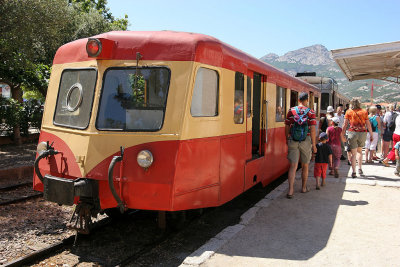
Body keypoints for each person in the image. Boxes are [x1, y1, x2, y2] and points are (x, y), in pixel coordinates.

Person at [285, 92, 317, 198]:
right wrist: (314, 144)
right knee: (305, 165)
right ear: (307, 100)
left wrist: (287, 138)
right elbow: (312, 130)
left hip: (293, 139)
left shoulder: (292, 110)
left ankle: (290, 190)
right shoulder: (311, 112)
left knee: (293, 166)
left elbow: (287, 126)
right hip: (306, 140)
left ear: (298, 100)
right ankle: (303, 188)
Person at [341, 98, 373, 178]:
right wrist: (371, 134)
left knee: (353, 153)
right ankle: (360, 168)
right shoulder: (364, 112)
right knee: (359, 151)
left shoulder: (348, 112)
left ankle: (354, 171)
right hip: (362, 133)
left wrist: (342, 134)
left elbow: (345, 124)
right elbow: (368, 124)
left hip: (352, 133)